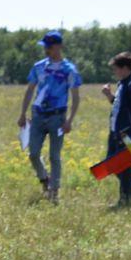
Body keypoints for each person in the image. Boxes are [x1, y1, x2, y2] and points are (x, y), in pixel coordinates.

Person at [17, 31, 81, 204]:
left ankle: (54, 190)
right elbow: (30, 90)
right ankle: (44, 179)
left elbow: (75, 97)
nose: (46, 49)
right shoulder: (39, 67)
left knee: (54, 155)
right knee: (33, 153)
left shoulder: (69, 70)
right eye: (45, 46)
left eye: (49, 46)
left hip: (58, 118)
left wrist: (70, 120)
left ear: (58, 46)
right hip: (38, 116)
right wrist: (23, 113)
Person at [102, 52, 131, 208]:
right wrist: (109, 96)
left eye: (116, 69)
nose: (114, 72)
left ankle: (125, 199)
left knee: (123, 165)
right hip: (115, 131)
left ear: (125, 68)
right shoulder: (123, 83)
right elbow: (120, 105)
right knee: (111, 164)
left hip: (127, 132)